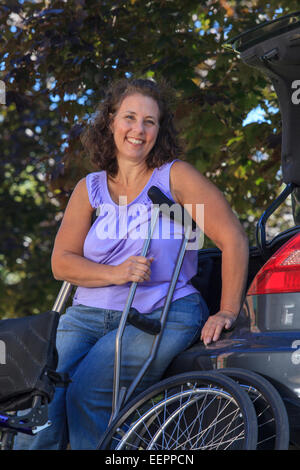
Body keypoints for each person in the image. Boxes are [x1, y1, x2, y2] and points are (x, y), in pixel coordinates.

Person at [14, 78, 249, 450]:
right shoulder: (89, 188)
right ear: (110, 122)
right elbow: (62, 263)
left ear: (160, 130)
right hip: (87, 314)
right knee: (39, 400)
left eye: (150, 121)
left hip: (161, 310)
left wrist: (227, 310)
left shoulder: (174, 178)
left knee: (88, 393)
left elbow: (232, 238)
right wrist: (116, 273)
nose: (138, 129)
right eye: (130, 117)